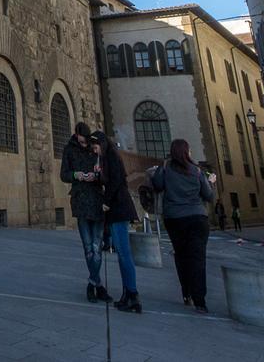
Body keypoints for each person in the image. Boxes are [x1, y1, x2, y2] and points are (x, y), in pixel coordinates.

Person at [150, 139, 215, 312]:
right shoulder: (196, 171)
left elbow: (157, 186)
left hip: (175, 219)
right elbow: (208, 195)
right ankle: (200, 300)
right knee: (198, 259)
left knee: (181, 256)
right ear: (186, 152)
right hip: (198, 219)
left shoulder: (166, 169)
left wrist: (162, 167)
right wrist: (212, 183)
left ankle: (186, 293)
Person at [62, 122, 110, 302]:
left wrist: (96, 175)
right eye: (80, 140)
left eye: (85, 141)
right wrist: (77, 175)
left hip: (97, 201)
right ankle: (98, 286)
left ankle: (93, 284)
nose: (83, 143)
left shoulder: (95, 148)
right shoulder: (69, 150)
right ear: (76, 136)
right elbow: (64, 174)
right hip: (81, 201)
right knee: (88, 248)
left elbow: (106, 173)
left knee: (97, 247)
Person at [94, 130, 141, 313]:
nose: (94, 150)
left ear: (102, 144)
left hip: (119, 209)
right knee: (122, 254)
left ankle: (132, 294)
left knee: (124, 254)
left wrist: (105, 202)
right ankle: (128, 294)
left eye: (95, 146)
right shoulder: (108, 157)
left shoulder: (112, 157)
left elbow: (115, 182)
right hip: (117, 210)